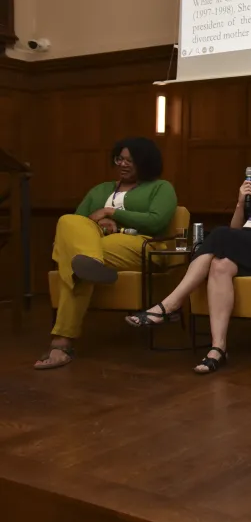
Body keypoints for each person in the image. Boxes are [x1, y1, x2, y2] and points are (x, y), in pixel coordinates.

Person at [126, 135, 251, 374]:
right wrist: (239, 202)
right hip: (250, 248)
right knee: (220, 265)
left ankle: (170, 304)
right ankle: (218, 348)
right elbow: (237, 230)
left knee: (219, 235)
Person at [35, 137, 177, 370]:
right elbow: (78, 223)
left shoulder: (161, 188)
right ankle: (90, 265)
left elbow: (156, 221)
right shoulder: (100, 189)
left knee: (75, 258)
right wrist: (100, 225)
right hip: (98, 245)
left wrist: (111, 213)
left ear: (146, 162)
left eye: (131, 160)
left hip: (141, 245)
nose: (123, 164)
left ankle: (61, 343)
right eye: (119, 159)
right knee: (67, 224)